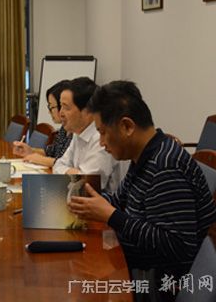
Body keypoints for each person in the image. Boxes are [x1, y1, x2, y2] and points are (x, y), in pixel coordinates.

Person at [68, 81, 216, 300]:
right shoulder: (145, 155)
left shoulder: (166, 166)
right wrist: (88, 202)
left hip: (161, 285)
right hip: (143, 266)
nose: (101, 143)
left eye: (103, 133)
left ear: (127, 127)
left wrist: (111, 216)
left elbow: (177, 247)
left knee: (78, 285)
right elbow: (118, 201)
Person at [52, 77, 125, 192]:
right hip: (74, 196)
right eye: (60, 106)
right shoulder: (78, 133)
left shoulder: (101, 139)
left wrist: (73, 175)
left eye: (66, 107)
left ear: (87, 111)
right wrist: (76, 174)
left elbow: (86, 186)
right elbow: (58, 165)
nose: (60, 113)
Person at [13, 80, 72, 166]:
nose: (49, 112)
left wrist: (39, 159)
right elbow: (50, 152)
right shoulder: (64, 128)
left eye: (51, 107)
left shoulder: (76, 133)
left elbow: (66, 164)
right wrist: (30, 150)